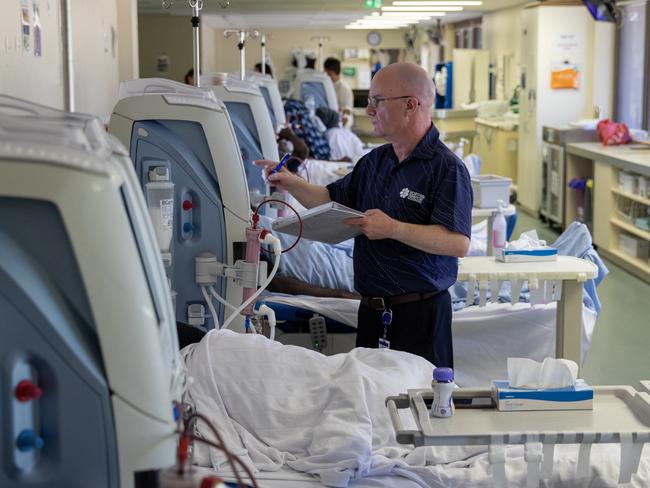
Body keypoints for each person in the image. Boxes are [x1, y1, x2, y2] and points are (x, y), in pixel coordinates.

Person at [256, 62, 473, 367]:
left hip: (420, 316)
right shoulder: (375, 162)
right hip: (372, 312)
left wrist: (393, 228)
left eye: (377, 101)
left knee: (418, 406)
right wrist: (292, 183)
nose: (369, 110)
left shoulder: (446, 168)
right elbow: (330, 198)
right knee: (372, 405)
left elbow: (457, 243)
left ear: (410, 105)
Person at [323, 57, 354, 128]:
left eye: (327, 73)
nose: (326, 76)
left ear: (332, 72)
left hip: (341, 125)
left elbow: (347, 110)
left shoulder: (343, 88)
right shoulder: (329, 84)